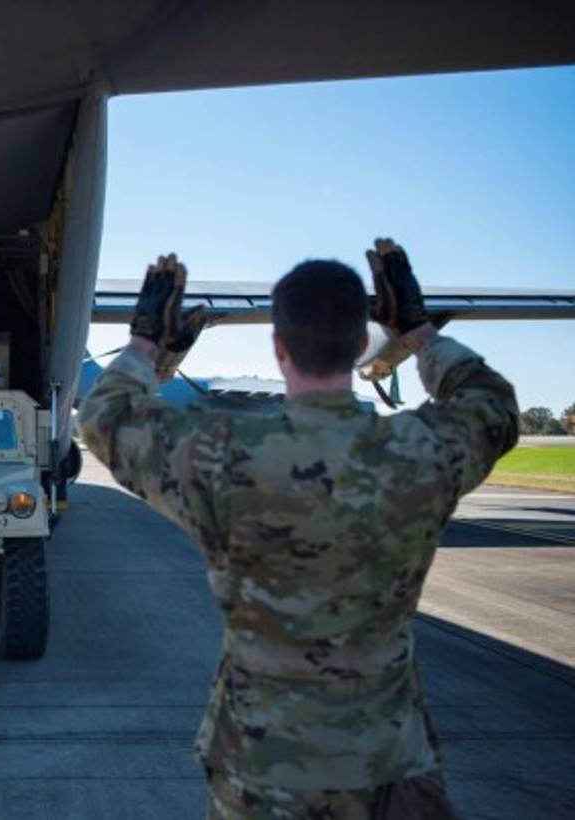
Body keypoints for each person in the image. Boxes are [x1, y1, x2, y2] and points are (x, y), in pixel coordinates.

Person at [78, 239, 518, 819]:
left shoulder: (220, 455)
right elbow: (492, 405)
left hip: (261, 773)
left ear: (278, 346)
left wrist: (146, 348)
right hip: (389, 768)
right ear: (362, 342)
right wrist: (418, 336)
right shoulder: (419, 452)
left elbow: (103, 418)